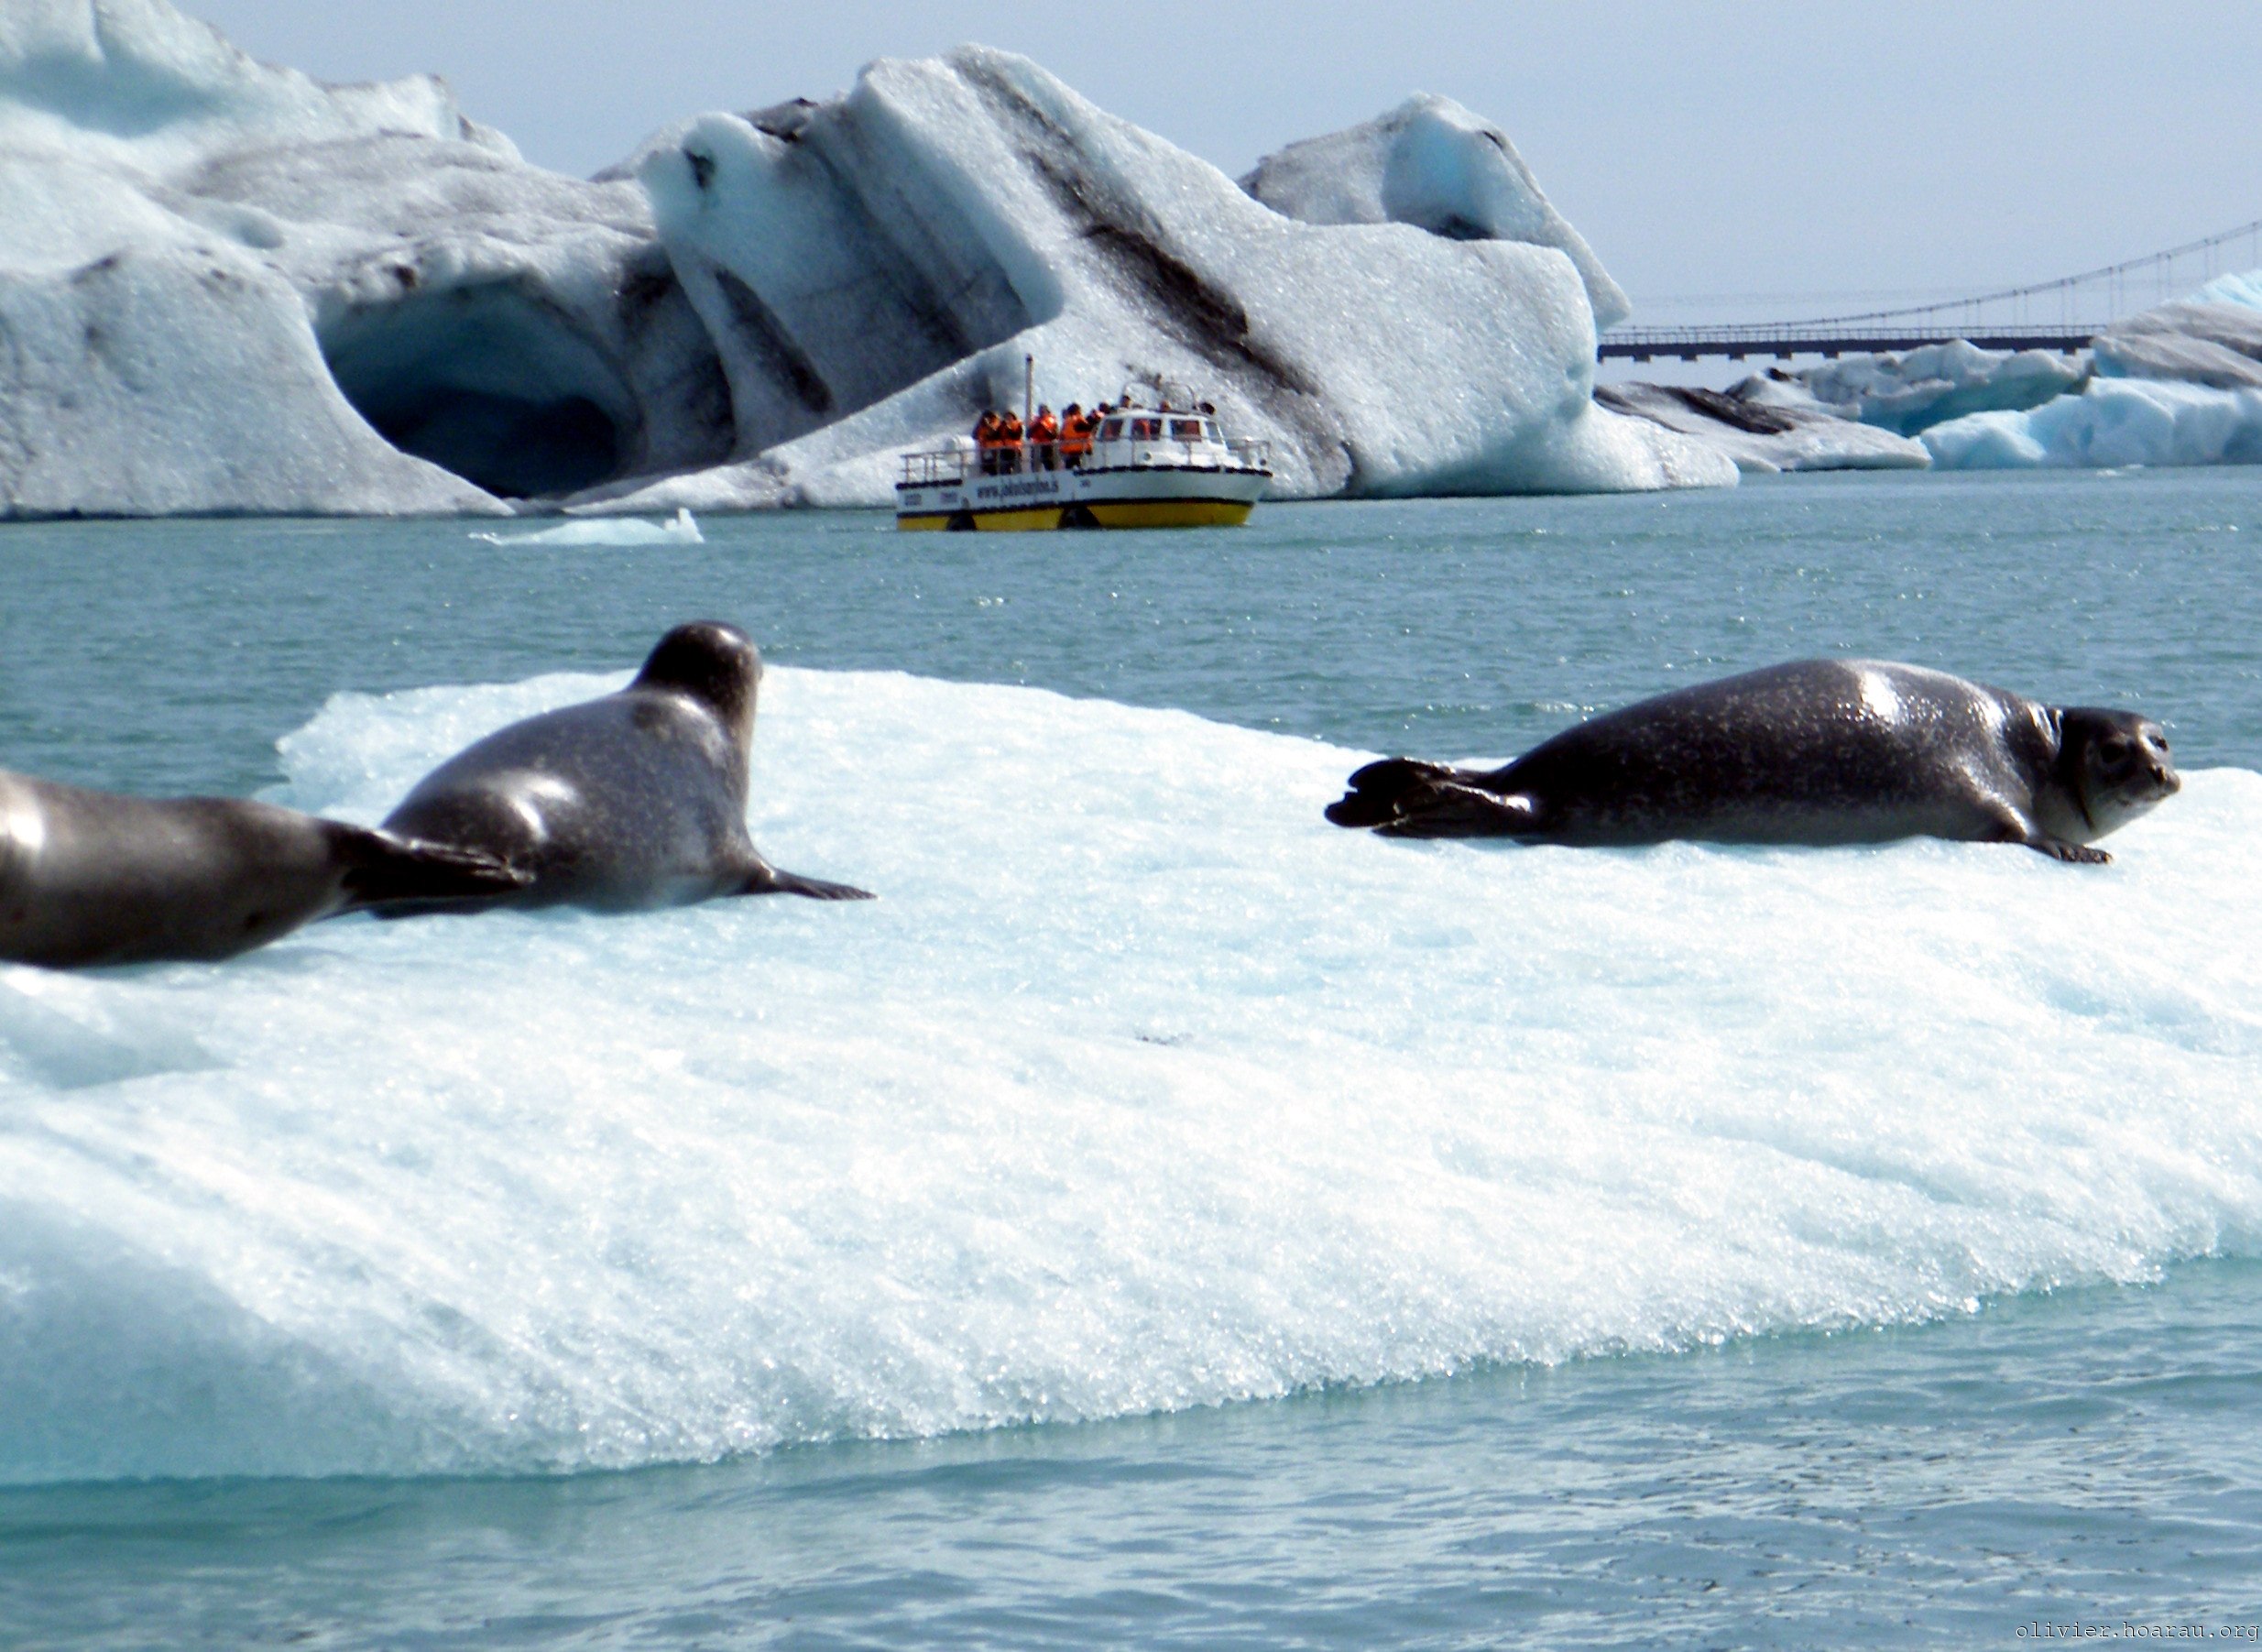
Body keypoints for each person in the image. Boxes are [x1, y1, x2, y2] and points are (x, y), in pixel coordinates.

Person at [1058, 402, 1090, 468]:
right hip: (1078, 448)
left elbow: (1061, 436)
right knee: (1079, 466)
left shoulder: (1066, 422)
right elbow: (1087, 433)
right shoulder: (1079, 420)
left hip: (1069, 449)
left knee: (1069, 466)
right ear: (1077, 410)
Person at [1029, 404, 1060, 470]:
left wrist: (1045, 428)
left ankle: (1051, 476)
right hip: (1036, 446)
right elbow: (1028, 435)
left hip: (1047, 446)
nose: (1041, 412)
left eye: (1043, 411)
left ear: (1047, 411)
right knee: (1035, 465)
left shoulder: (1053, 422)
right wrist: (1036, 426)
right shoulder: (1035, 422)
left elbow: (1054, 435)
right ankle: (1035, 477)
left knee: (1048, 464)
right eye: (1040, 411)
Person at [995, 408, 1024, 474]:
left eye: (1009, 417)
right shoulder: (1002, 426)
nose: (1008, 418)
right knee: (1004, 467)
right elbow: (996, 436)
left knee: (1016, 467)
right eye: (1006, 417)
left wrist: (1008, 428)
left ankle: (1018, 479)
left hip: (1015, 449)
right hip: (1004, 449)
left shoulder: (1018, 425)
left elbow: (1017, 436)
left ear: (1013, 417)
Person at [973, 410, 1001, 475]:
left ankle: (995, 474)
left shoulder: (997, 424)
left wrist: (988, 426)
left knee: (995, 466)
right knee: (985, 465)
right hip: (984, 449)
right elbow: (974, 435)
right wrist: (980, 425)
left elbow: (996, 435)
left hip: (996, 449)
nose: (986, 418)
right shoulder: (980, 425)